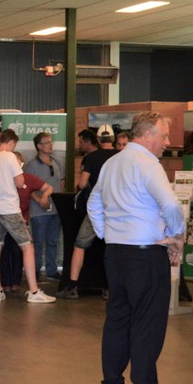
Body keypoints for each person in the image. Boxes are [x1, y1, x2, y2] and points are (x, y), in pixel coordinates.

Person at [87, 112, 186, 384]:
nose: (167, 143)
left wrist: (108, 233)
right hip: (145, 254)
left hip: (116, 253)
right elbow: (171, 205)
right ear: (147, 135)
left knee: (117, 319)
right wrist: (177, 235)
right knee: (147, 322)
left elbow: (93, 202)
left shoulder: (112, 163)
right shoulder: (148, 164)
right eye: (164, 136)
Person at [0, 129, 55, 303]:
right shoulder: (10, 157)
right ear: (12, 143)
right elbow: (20, 182)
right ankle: (34, 291)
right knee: (27, 246)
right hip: (9, 208)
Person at [58, 127, 119, 299]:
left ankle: (72, 286)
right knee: (113, 247)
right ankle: (110, 288)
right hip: (116, 210)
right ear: (113, 139)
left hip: (96, 210)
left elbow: (83, 183)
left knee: (80, 245)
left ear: (98, 140)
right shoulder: (120, 157)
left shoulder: (92, 157)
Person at [23, 132, 63, 280]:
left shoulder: (56, 162)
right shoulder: (31, 165)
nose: (51, 145)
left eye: (51, 142)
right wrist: (40, 200)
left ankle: (52, 270)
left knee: (53, 241)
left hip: (55, 210)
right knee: (38, 242)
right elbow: (27, 187)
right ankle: (35, 270)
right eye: (47, 143)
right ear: (39, 146)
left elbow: (61, 183)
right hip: (38, 211)